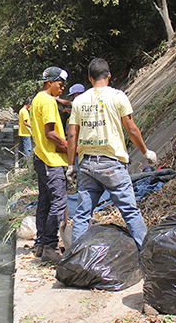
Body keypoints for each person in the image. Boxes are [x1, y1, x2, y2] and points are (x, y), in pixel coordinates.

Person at [66, 58, 157, 249]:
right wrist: (146, 151)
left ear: (90, 78)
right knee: (130, 211)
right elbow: (132, 130)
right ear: (109, 75)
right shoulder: (118, 96)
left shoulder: (79, 101)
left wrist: (71, 164)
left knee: (82, 215)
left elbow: (72, 133)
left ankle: (76, 258)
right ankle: (147, 254)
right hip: (112, 164)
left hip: (88, 165)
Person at [30, 66, 69, 263]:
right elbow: (50, 133)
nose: (62, 88)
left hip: (41, 157)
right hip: (50, 160)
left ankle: (40, 244)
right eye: (60, 85)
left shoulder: (38, 99)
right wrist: (68, 146)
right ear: (50, 82)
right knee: (59, 201)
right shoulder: (46, 101)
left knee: (44, 203)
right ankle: (50, 246)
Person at [17, 97, 33, 165]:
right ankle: (27, 164)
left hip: (21, 132)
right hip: (26, 133)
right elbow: (25, 122)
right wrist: (33, 127)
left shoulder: (21, 110)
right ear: (29, 104)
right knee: (27, 149)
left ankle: (20, 163)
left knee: (21, 149)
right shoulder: (25, 111)